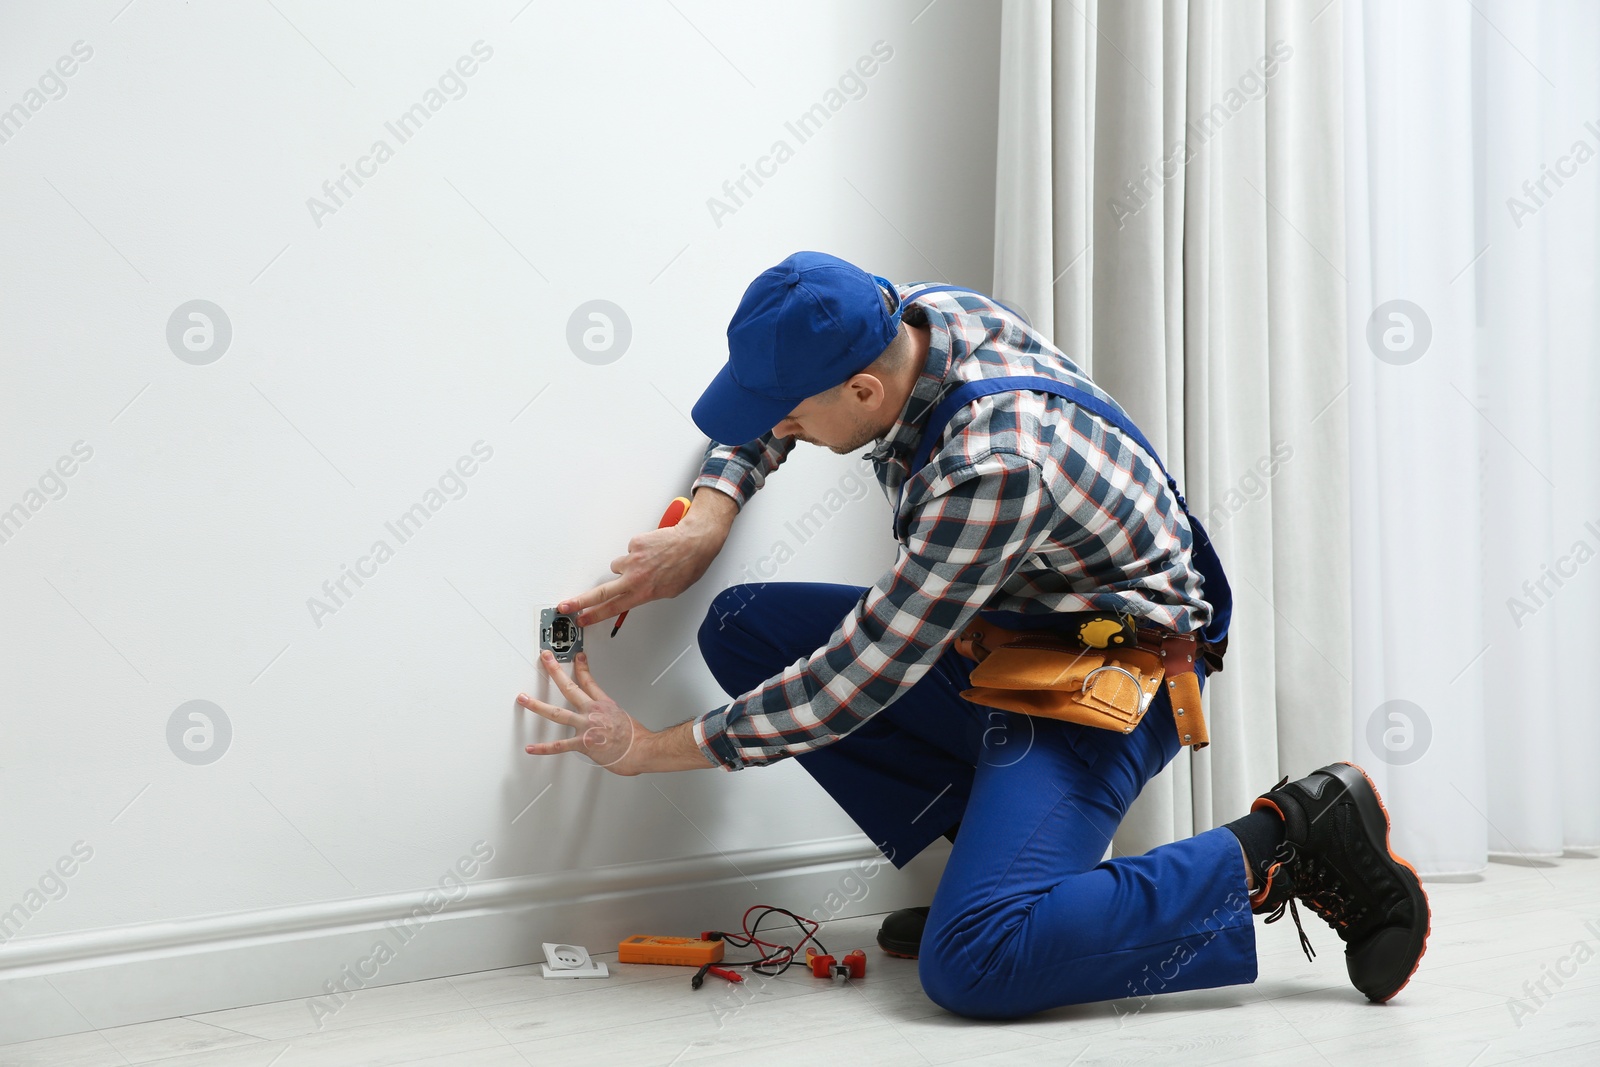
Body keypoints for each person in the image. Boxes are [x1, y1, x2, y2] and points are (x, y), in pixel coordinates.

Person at [516, 251, 1430, 1019]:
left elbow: (854, 679)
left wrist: (648, 749)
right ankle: (992, 871)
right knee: (745, 626)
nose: (778, 431)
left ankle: (1289, 838)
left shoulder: (991, 466)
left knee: (975, 962)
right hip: (1002, 641)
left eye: (792, 418)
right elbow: (779, 403)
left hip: (1109, 677)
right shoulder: (918, 315)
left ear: (866, 388)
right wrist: (711, 516)